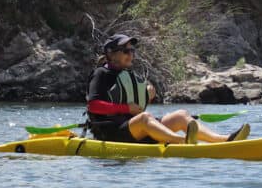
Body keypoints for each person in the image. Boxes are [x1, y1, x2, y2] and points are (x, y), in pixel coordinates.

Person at [86, 34, 250, 144]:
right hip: (111, 133)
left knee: (181, 115)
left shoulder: (127, 74)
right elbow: (93, 105)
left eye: (132, 50)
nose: (131, 54)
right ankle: (181, 142)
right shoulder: (101, 74)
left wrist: (147, 93)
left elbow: (134, 102)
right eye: (126, 50)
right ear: (112, 54)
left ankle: (223, 140)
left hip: (133, 129)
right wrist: (125, 108)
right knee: (145, 118)